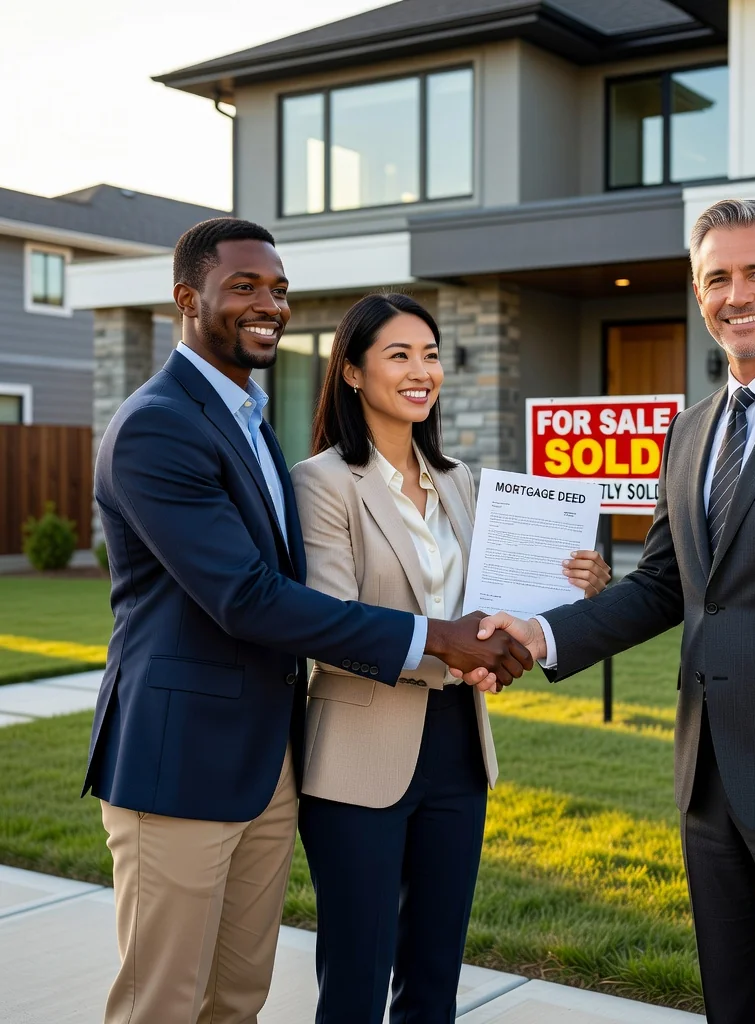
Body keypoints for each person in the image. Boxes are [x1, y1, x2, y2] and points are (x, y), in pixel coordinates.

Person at [469, 199, 755, 1024]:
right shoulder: (688, 432)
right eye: (718, 278)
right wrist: (540, 632)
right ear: (698, 293)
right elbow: (664, 586)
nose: (738, 294)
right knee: (731, 994)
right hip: (706, 776)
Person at [86, 220, 532, 1024]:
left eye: (281, 289)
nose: (270, 305)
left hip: (267, 763)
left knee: (235, 1001)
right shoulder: (159, 424)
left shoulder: (249, 419)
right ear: (187, 300)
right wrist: (435, 636)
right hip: (178, 758)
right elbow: (248, 597)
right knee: (160, 1004)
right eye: (245, 287)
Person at [290, 293, 610, 1024]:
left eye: (430, 355)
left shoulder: (463, 481)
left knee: (435, 976)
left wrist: (580, 588)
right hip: (358, 760)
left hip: (458, 750)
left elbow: (493, 602)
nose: (421, 371)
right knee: (356, 979)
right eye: (399, 355)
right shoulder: (323, 483)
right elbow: (333, 625)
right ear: (351, 373)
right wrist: (453, 650)